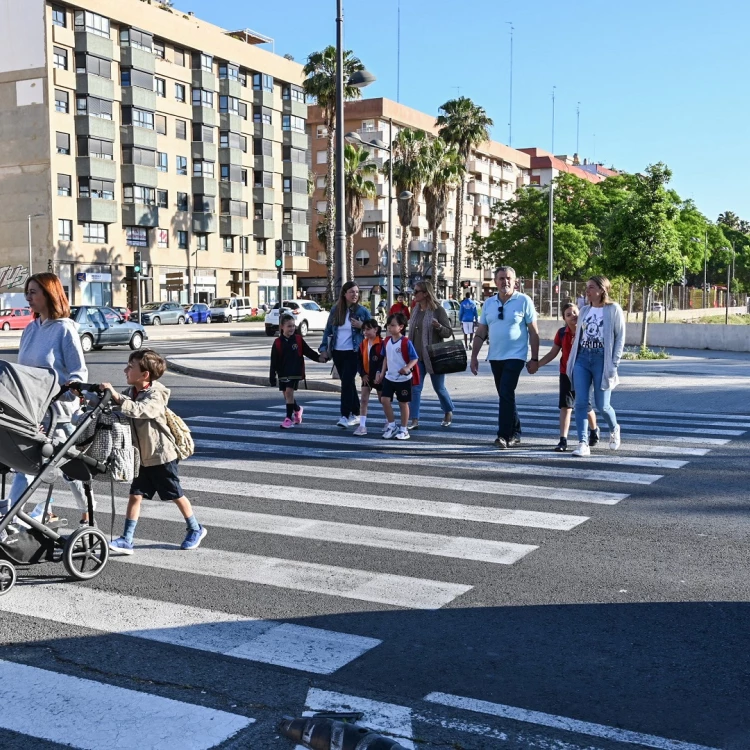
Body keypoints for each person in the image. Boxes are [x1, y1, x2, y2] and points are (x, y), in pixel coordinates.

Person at [0, 273, 93, 531]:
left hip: (58, 412)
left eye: (33, 292)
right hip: (30, 410)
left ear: (49, 295)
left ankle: (86, 512)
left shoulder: (65, 329)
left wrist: (60, 394)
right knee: (24, 464)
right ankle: (12, 516)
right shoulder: (30, 329)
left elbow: (78, 374)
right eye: (27, 291)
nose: (27, 297)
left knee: (68, 466)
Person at [103, 349, 206, 555]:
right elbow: (118, 406)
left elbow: (141, 410)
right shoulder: (131, 392)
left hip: (161, 455)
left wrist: (116, 397)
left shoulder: (155, 395)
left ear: (145, 375)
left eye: (130, 367)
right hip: (141, 457)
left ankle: (196, 528)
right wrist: (93, 398)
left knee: (175, 494)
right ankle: (127, 539)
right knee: (135, 495)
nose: (125, 370)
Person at [470, 266, 540, 450]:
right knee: (505, 394)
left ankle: (503, 435)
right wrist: (474, 356)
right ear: (495, 281)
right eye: (501, 278)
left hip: (516, 356)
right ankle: (515, 432)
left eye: (508, 278)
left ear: (515, 281)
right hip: (495, 357)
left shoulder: (524, 300)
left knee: (506, 392)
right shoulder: (489, 303)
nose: (505, 282)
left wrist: (534, 358)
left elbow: (533, 331)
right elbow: (481, 331)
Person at [567, 275, 625, 457]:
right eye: (587, 287)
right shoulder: (584, 310)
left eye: (591, 287)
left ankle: (614, 428)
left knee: (602, 405)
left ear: (601, 290)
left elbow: (620, 337)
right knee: (581, 403)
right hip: (583, 358)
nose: (587, 290)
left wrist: (614, 363)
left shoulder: (613, 309)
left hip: (602, 359)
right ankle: (583, 443)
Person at [536, 302, 600, 452]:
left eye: (575, 312)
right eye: (568, 314)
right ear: (564, 318)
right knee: (566, 406)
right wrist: (537, 364)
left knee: (584, 406)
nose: (573, 316)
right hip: (566, 373)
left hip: (583, 374)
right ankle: (563, 440)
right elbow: (553, 353)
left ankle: (594, 429)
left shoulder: (587, 331)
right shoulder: (562, 333)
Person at [319, 281, 372, 428]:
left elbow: (375, 330)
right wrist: (324, 349)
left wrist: (363, 326)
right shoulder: (336, 310)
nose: (355, 294)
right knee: (348, 383)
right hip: (338, 352)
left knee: (346, 382)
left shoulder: (362, 311)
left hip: (354, 352)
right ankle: (356, 413)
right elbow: (328, 330)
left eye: (356, 292)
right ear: (344, 294)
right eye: (352, 292)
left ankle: (344, 415)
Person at [407, 281, 455, 429]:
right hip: (417, 357)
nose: (413, 295)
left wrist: (439, 327)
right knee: (415, 388)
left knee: (439, 388)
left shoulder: (438, 310)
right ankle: (414, 419)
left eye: (416, 292)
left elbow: (448, 332)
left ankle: (448, 411)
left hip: (434, 356)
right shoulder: (415, 310)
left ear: (425, 293)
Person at [269, 313, 325, 429]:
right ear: (282, 327)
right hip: (282, 373)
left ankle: (288, 418)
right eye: (289, 326)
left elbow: (308, 352)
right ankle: (297, 409)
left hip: (295, 371)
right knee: (286, 395)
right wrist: (272, 376)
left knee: (289, 392)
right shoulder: (278, 342)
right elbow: (273, 361)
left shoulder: (298, 340)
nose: (292, 328)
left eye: (293, 326)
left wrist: (320, 358)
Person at [375, 313, 418, 440]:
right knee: (384, 400)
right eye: (388, 325)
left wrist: (406, 368)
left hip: (404, 379)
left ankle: (404, 429)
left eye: (393, 325)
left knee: (403, 403)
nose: (389, 328)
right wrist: (382, 373)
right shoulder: (386, 341)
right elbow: (385, 358)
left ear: (401, 327)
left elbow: (414, 358)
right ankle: (392, 425)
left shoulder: (405, 342)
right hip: (390, 377)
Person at [354, 319, 385, 436]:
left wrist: (380, 373)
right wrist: (362, 374)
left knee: (383, 399)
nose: (365, 332)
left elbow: (383, 361)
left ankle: (388, 421)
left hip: (379, 376)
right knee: (364, 400)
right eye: (364, 330)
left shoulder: (381, 343)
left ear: (376, 329)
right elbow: (358, 361)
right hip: (366, 376)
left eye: (368, 329)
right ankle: (362, 425)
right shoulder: (363, 344)